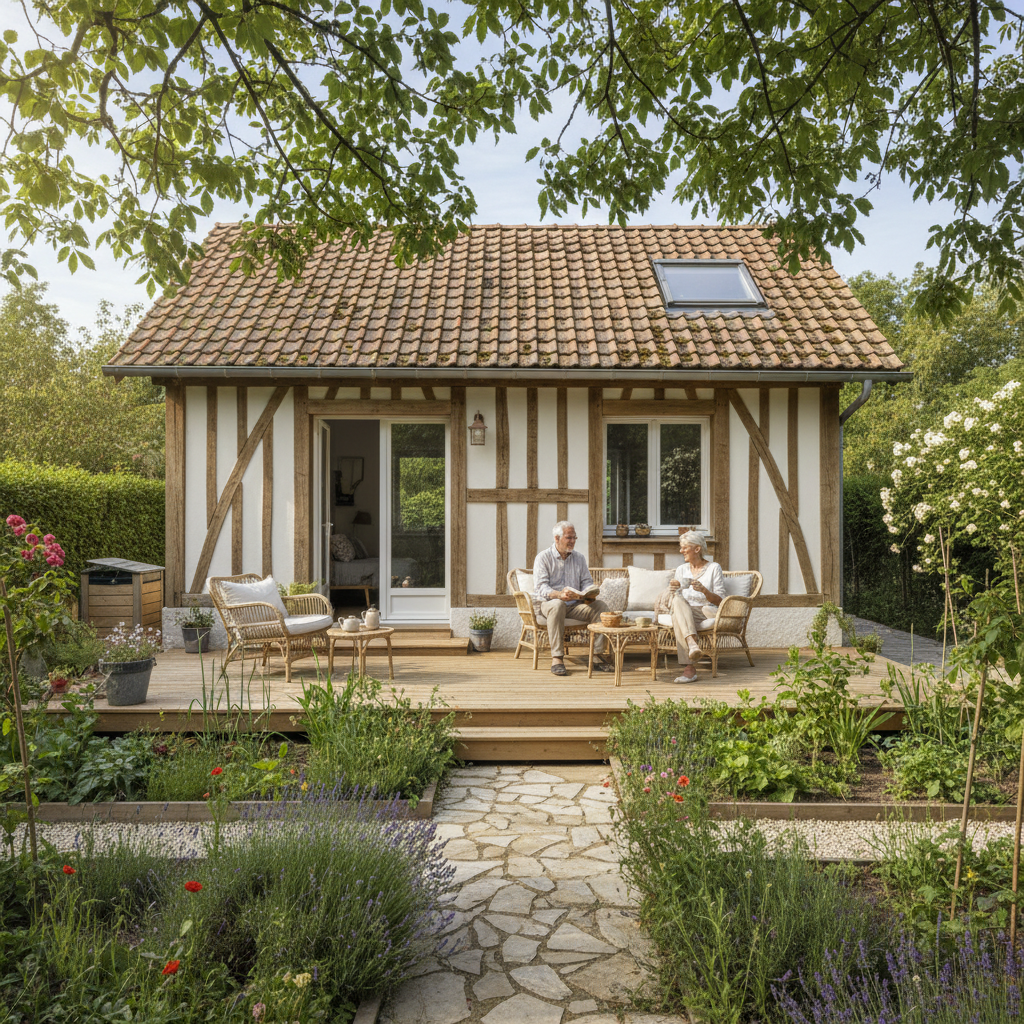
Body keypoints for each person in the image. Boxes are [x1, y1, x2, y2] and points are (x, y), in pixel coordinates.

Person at [533, 521, 614, 676]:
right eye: (568, 537)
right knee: (557, 605)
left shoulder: (579, 558)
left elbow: (587, 583)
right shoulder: (543, 558)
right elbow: (541, 588)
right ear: (557, 538)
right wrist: (559, 594)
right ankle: (557, 658)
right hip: (549, 605)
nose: (572, 541)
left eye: (574, 538)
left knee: (601, 606)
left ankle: (596, 655)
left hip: (575, 606)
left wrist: (589, 592)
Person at [660, 530, 726, 683]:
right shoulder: (681, 570)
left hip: (704, 610)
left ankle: (689, 668)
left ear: (697, 549)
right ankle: (692, 644)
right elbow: (675, 596)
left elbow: (720, 601)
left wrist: (704, 590)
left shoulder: (714, 568)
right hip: (684, 608)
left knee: (678, 614)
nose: (681, 550)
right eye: (681, 547)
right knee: (677, 600)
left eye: (684, 547)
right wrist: (672, 589)